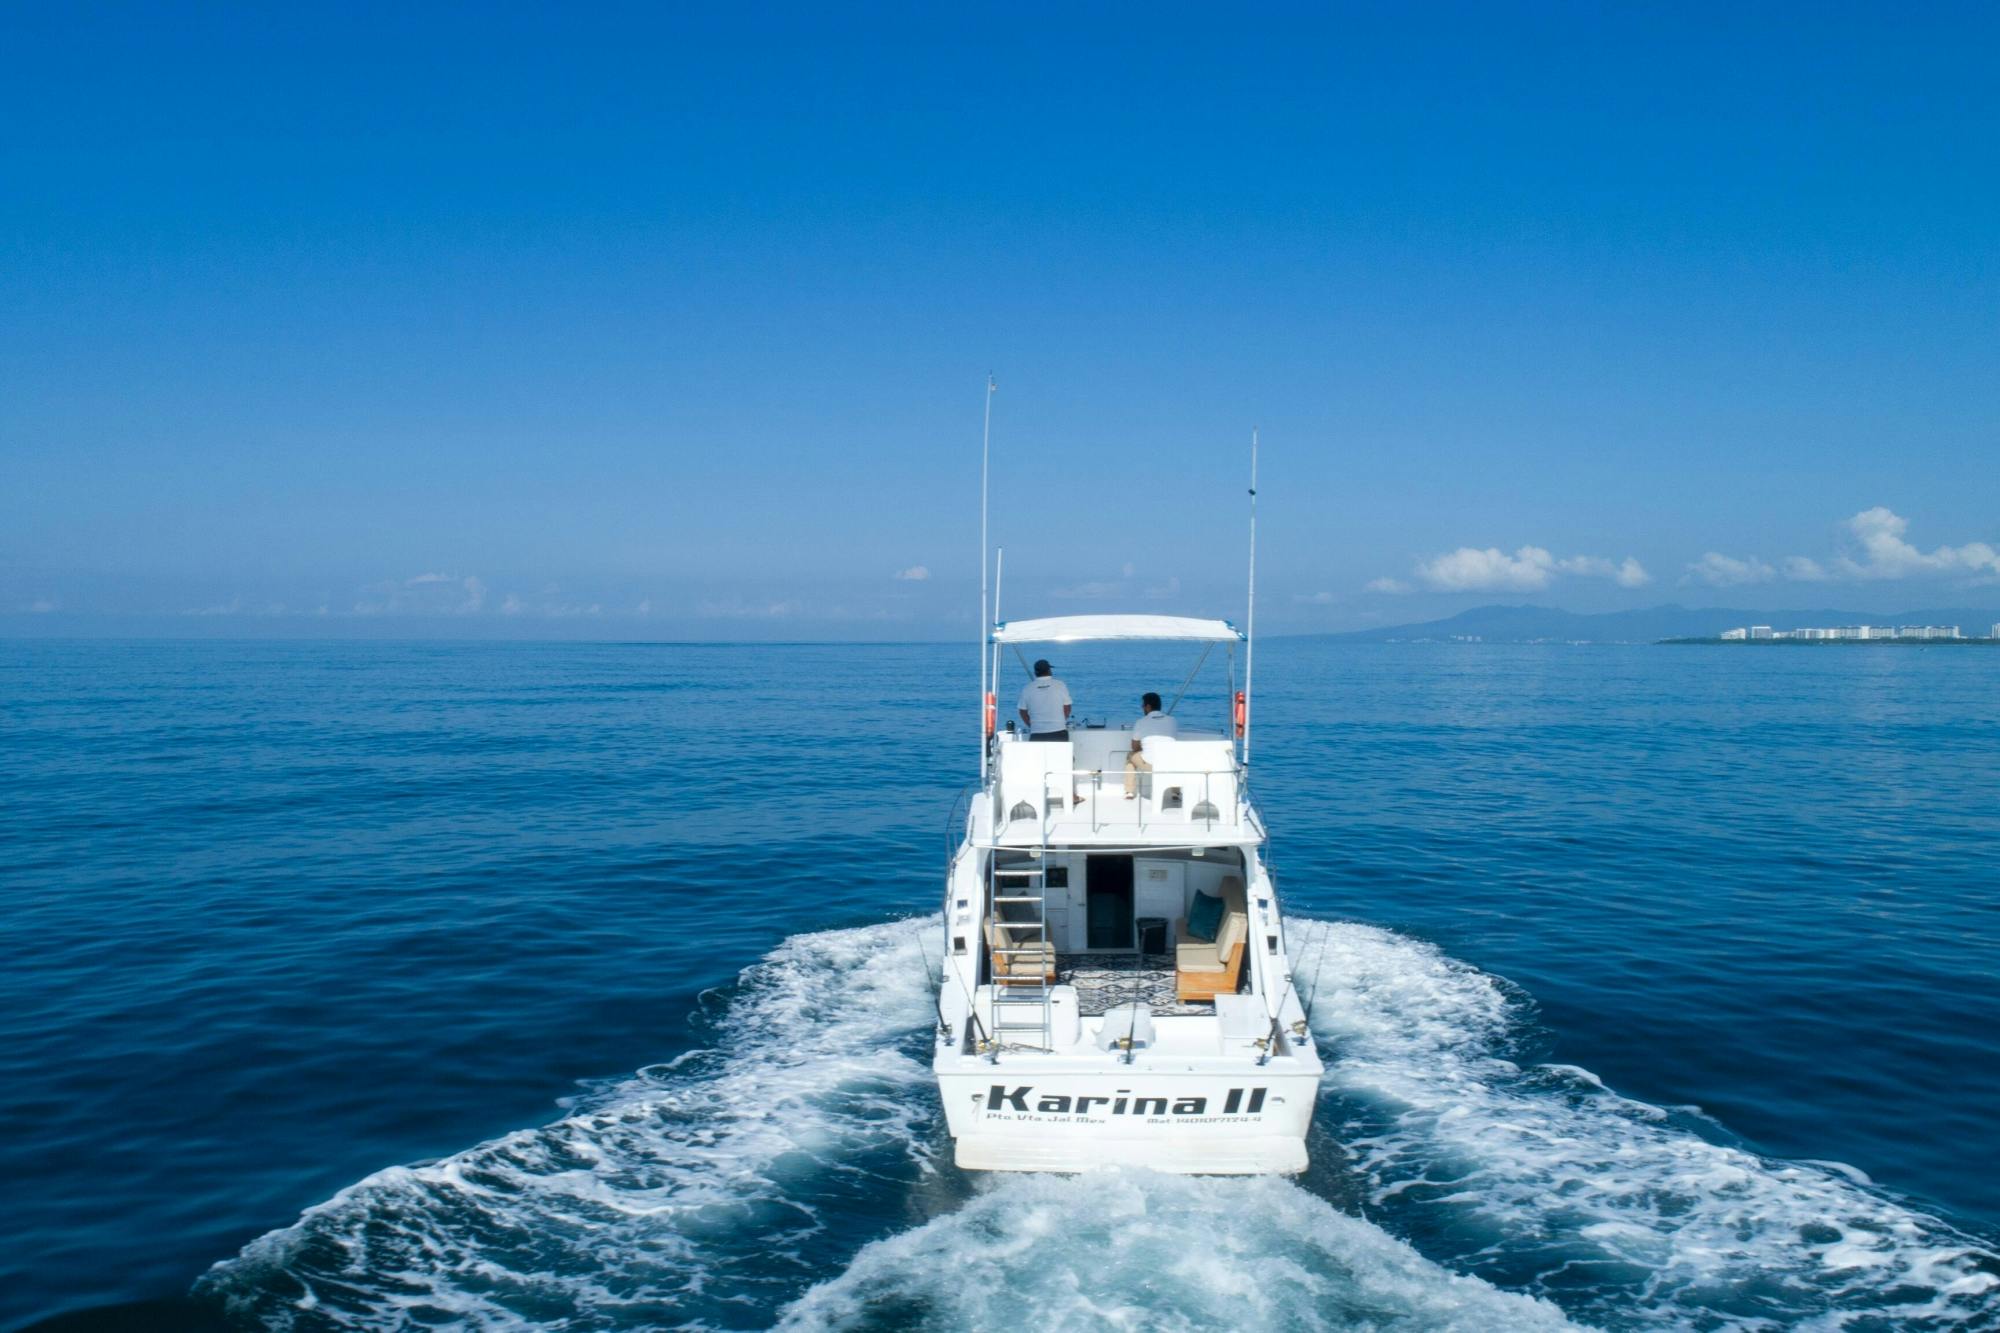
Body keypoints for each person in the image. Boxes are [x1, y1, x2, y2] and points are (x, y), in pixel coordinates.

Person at [1124, 691, 1179, 798]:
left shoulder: (1141, 722)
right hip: (1169, 764)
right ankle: (1175, 792)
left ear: (1148, 706)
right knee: (1173, 757)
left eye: (1143, 705)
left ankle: (1129, 791)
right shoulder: (1172, 720)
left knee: (1130, 756)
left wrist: (1143, 746)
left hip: (1150, 765)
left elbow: (1134, 747)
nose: (1142, 708)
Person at [1016, 659, 1073, 740]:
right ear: (1049, 670)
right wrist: (1059, 722)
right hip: (1059, 731)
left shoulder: (1027, 688)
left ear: (1035, 672)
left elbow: (1022, 711)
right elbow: (1067, 707)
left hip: (1037, 733)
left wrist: (1032, 725)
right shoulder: (1060, 685)